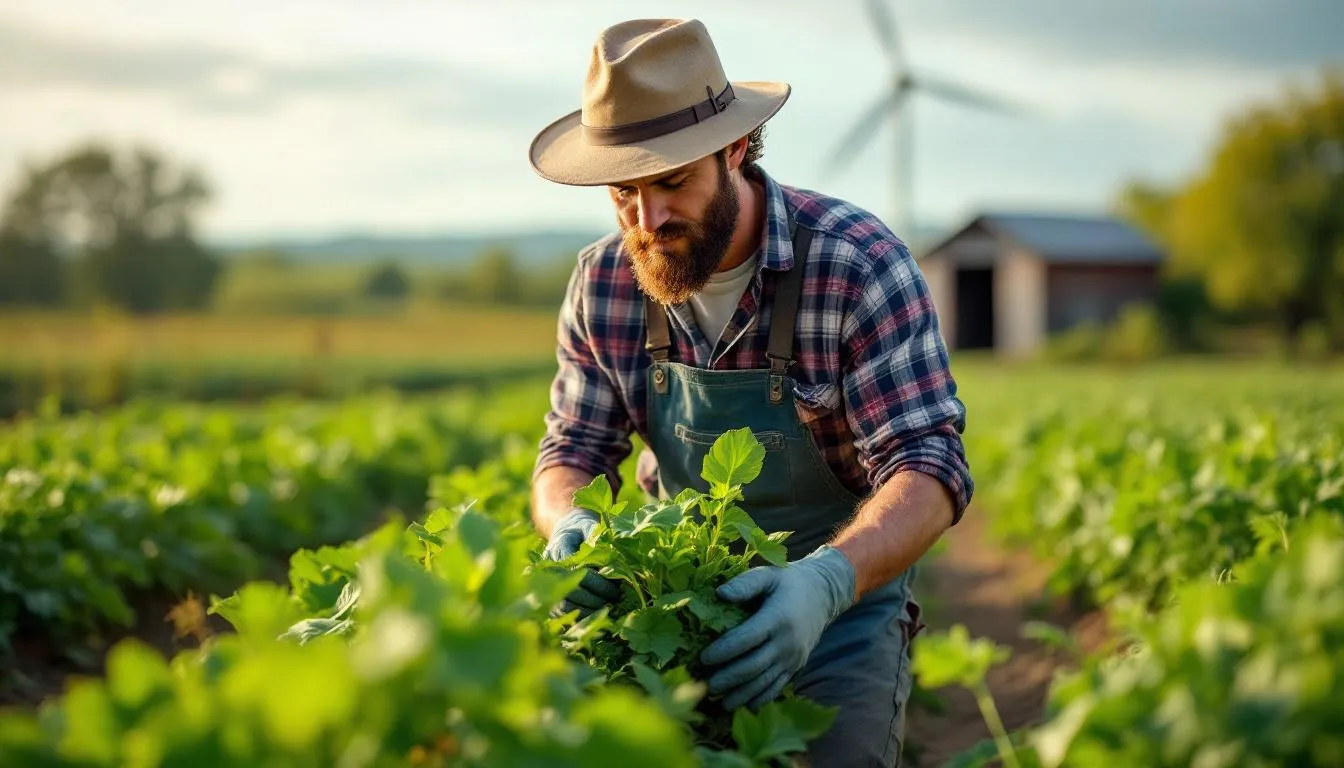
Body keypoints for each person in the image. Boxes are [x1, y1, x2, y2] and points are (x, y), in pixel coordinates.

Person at [526, 17, 973, 768]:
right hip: (675, 601)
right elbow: (570, 449)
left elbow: (927, 467)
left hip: (838, 604)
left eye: (672, 182)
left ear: (736, 149)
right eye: (623, 192)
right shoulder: (604, 281)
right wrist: (568, 522)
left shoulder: (856, 263)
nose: (648, 219)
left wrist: (827, 583)